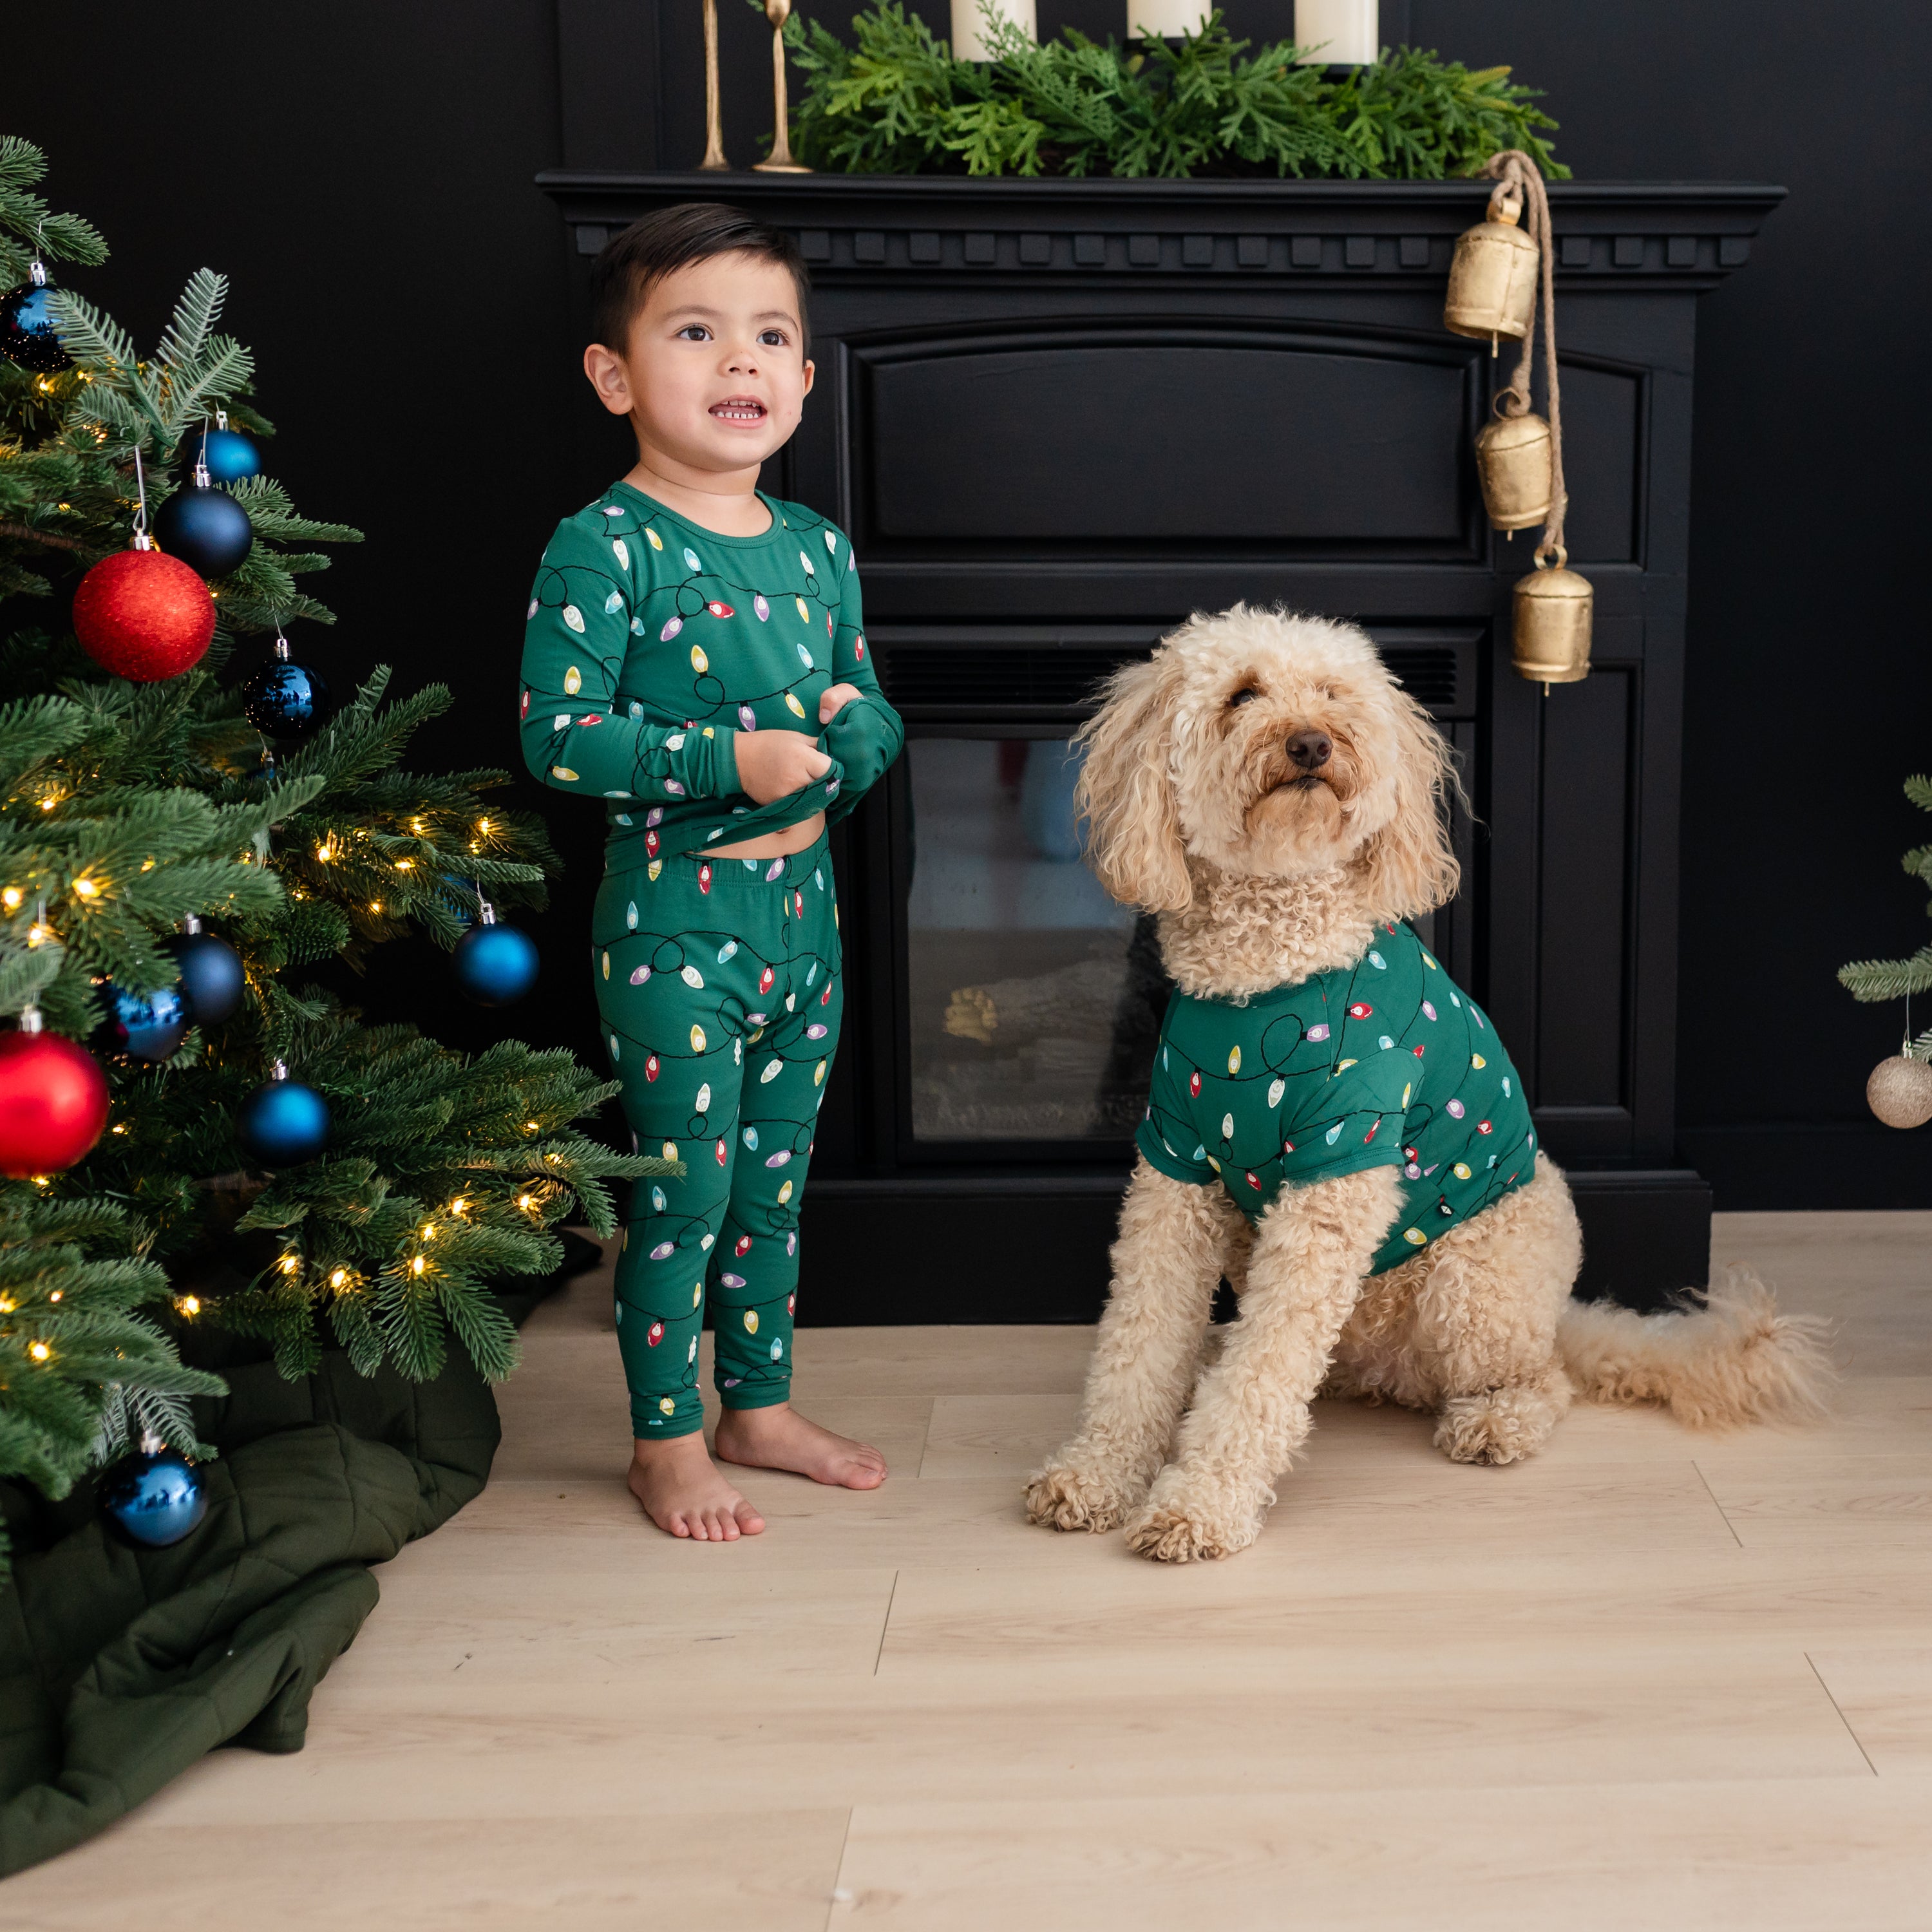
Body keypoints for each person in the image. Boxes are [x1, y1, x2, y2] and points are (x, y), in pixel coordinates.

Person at [518, 205, 904, 1540]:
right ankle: (666, 1440)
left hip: (805, 930)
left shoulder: (816, 551)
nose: (738, 361)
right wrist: (729, 763)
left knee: (773, 1185)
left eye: (768, 336)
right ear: (617, 377)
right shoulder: (605, 543)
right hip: (673, 933)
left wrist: (843, 761)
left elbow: (865, 708)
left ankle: (759, 1406)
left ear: (802, 380)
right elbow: (556, 737)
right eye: (696, 332)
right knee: (683, 1190)